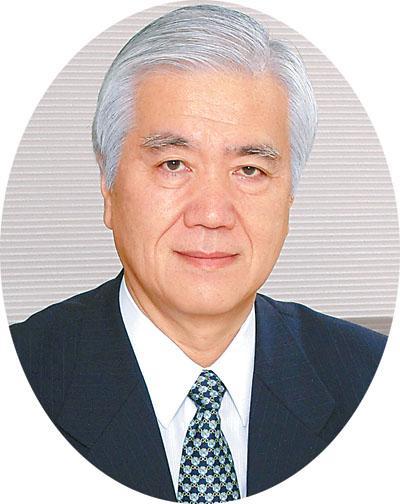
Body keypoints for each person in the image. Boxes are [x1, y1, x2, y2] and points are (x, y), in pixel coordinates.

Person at [10, 4, 386, 502]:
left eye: (250, 170)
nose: (212, 213)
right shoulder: (21, 377)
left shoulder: (375, 380)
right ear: (108, 185)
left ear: (290, 195)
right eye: (173, 164)